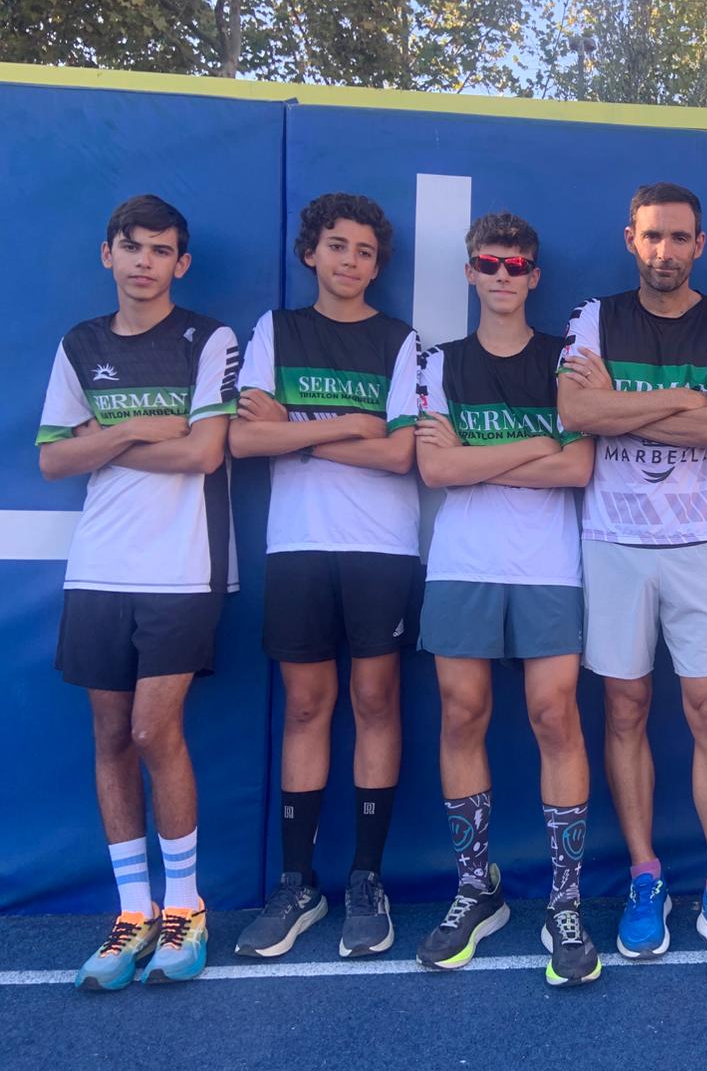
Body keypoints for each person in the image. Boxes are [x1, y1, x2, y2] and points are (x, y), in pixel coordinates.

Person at [555, 182, 707, 978]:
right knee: (625, 708)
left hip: (696, 541)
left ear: (699, 245)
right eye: (652, 237)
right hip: (612, 540)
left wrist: (621, 402)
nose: (665, 251)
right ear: (630, 240)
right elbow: (576, 414)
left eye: (679, 238)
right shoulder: (594, 317)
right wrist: (680, 397)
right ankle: (646, 877)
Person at [39, 195, 238, 989]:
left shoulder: (209, 339)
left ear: (180, 264)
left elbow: (203, 454)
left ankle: (185, 906)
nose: (145, 262)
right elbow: (53, 459)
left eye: (160, 250)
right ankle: (133, 914)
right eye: (132, 247)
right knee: (112, 738)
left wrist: (99, 441)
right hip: (97, 568)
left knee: (156, 731)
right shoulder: (80, 343)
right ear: (108, 254)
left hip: (182, 569)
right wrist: (131, 430)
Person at [230, 193, 421, 960]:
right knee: (307, 706)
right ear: (311, 252)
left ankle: (366, 879)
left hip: (382, 546)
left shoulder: (400, 340)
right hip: (298, 545)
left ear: (378, 266)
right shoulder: (277, 330)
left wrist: (297, 431)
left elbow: (400, 453)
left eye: (365, 251)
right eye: (337, 245)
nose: (350, 260)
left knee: (375, 700)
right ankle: (297, 883)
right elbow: (245, 440)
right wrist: (345, 425)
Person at [411, 213, 599, 985]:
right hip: (463, 564)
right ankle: (476, 889)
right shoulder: (440, 362)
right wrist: (534, 447)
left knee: (555, 716)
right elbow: (436, 471)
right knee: (462, 715)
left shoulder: (568, 361)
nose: (501, 276)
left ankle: (564, 900)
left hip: (549, 565)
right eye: (488, 264)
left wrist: (478, 457)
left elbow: (579, 467)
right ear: (470, 272)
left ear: (533, 276)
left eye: (515, 266)